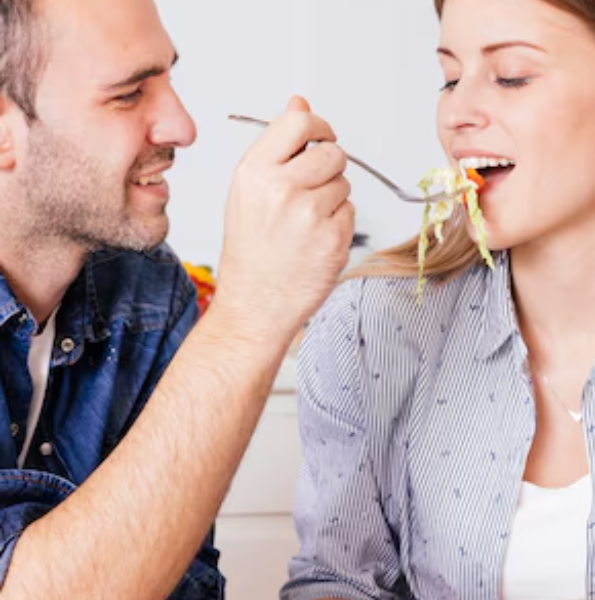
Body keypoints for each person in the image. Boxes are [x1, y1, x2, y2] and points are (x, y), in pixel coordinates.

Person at [281, 0, 595, 598]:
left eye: (511, 76)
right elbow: (334, 581)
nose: (457, 114)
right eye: (450, 78)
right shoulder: (371, 327)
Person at [0, 0, 354, 599]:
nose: (183, 126)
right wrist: (249, 315)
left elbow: (183, 584)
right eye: (129, 94)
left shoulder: (149, 291)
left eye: (167, 77)